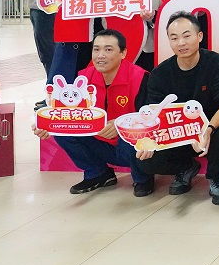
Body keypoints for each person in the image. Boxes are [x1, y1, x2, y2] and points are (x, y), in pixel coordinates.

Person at [32, 29, 153, 196]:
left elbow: (150, 117)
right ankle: (97, 173)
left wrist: (121, 125)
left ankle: (143, 178)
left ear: (123, 53)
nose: (100, 55)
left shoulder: (140, 78)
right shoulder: (83, 79)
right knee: (62, 132)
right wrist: (46, 125)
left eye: (108, 49)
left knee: (135, 138)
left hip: (129, 145)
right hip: (100, 143)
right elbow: (67, 114)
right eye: (96, 49)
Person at [136, 12, 219, 205]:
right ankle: (185, 168)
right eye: (174, 38)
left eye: (186, 36)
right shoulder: (159, 74)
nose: (181, 43)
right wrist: (148, 140)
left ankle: (215, 178)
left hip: (210, 128)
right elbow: (153, 112)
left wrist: (208, 129)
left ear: (199, 36)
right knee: (145, 161)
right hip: (176, 132)